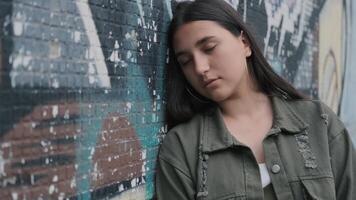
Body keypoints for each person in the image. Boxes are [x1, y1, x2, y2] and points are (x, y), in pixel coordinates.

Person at [155, 0, 356, 199]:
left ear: (245, 44)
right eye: (186, 61)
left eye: (209, 48)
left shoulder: (318, 122)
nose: (199, 68)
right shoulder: (182, 148)